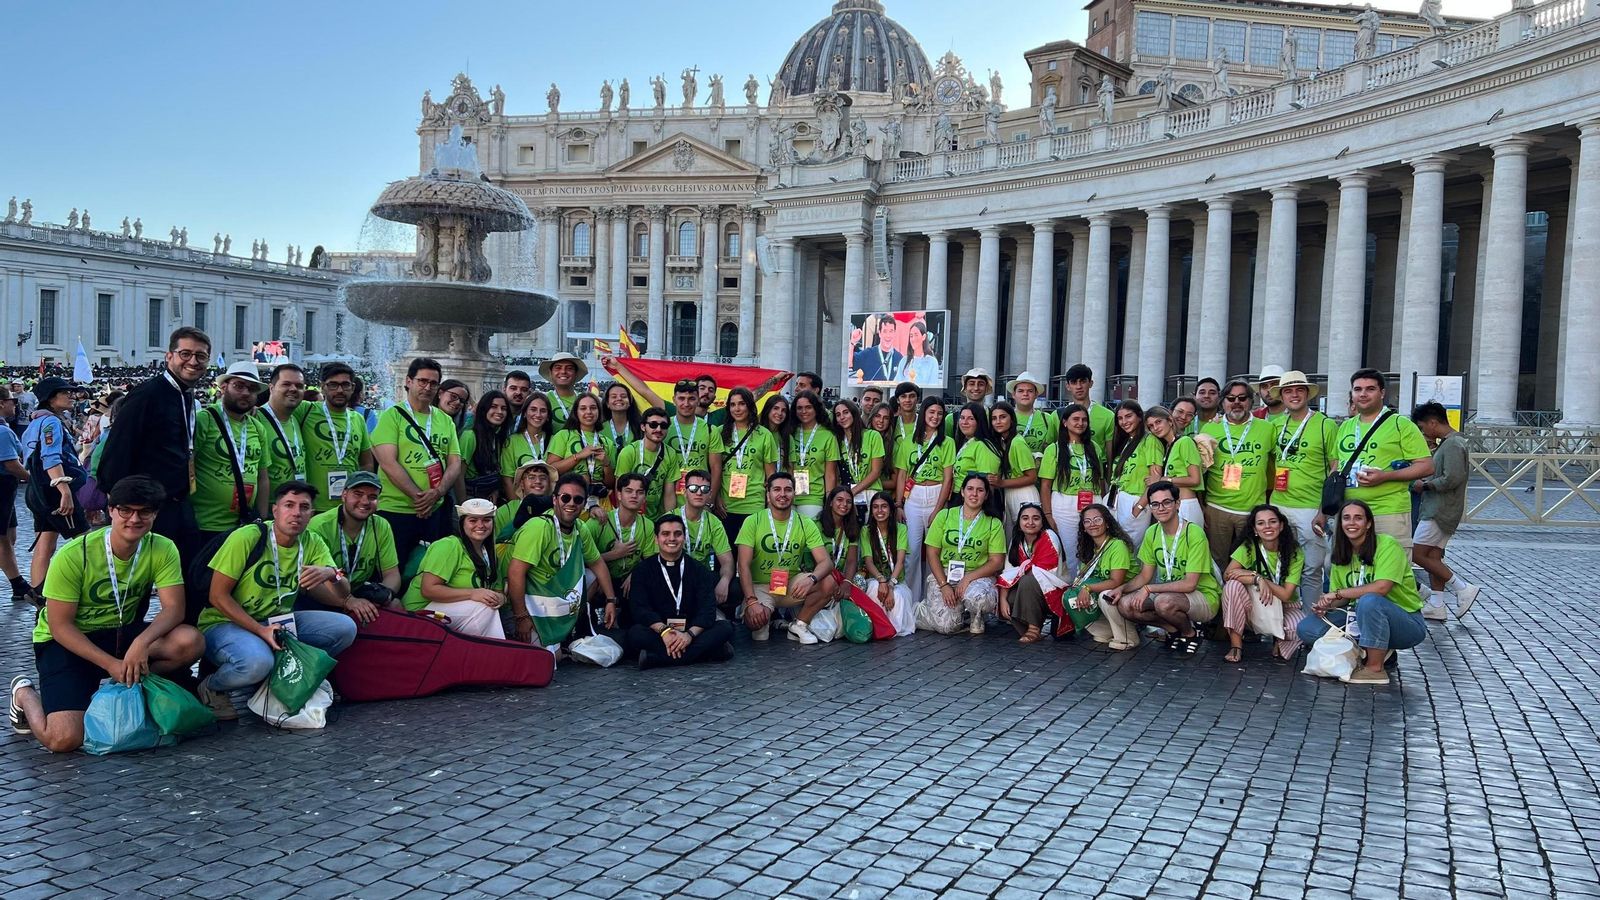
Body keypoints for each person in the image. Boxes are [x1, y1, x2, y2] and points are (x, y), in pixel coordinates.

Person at [8, 476, 204, 752]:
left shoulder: (162, 547)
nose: (134, 519)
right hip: (67, 641)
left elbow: (174, 609)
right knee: (63, 739)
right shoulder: (75, 554)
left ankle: (117, 685)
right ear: (110, 511)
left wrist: (140, 644)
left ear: (155, 514)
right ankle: (23, 693)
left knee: (190, 641)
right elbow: (60, 626)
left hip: (122, 632)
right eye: (125, 510)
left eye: (144, 511)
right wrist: (110, 663)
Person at [197, 481, 375, 719]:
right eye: (289, 505)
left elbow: (342, 593)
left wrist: (332, 574)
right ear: (275, 510)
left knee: (344, 628)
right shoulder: (248, 537)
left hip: (276, 620)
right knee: (257, 663)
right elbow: (217, 596)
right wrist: (261, 630)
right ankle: (212, 687)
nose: (296, 513)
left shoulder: (311, 540)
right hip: (224, 622)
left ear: (312, 513)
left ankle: (279, 678)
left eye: (304, 507)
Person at [96, 327, 210, 565]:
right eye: (186, 354)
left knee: (186, 573)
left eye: (201, 356)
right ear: (169, 356)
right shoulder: (147, 394)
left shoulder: (185, 393)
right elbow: (118, 448)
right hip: (145, 506)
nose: (193, 361)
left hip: (177, 501)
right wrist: (122, 506)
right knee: (139, 580)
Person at [1296, 499, 1428, 686]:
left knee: (1370, 601)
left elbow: (1382, 587)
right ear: (1340, 524)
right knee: (1307, 629)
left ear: (1368, 524)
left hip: (1406, 621)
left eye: (1358, 518)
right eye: (1346, 518)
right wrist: (1327, 605)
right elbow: (1340, 598)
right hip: (1358, 615)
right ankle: (1375, 649)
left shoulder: (1387, 545)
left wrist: (1338, 594)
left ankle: (1375, 669)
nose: (1351, 523)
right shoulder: (1341, 553)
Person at [1102, 481, 1221, 655]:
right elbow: (1144, 576)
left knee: (1163, 602)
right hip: (1168, 594)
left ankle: (1191, 633)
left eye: (1167, 502)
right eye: (1155, 504)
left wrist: (1149, 588)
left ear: (1177, 504)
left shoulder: (1194, 533)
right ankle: (1172, 628)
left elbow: (1190, 585)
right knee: (1126, 605)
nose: (1161, 508)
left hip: (1203, 596)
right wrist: (1121, 589)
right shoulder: (1152, 532)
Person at [507, 474, 620, 645]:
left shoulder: (580, 528)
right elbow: (515, 573)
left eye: (578, 499)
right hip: (532, 599)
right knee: (551, 660)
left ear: (583, 505)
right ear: (554, 500)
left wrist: (611, 600)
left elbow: (597, 563)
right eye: (565, 498)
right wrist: (521, 617)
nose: (571, 503)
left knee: (592, 576)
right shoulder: (539, 527)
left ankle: (569, 629)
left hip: (555, 594)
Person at [372, 358, 463, 564]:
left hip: (435, 510)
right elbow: (388, 462)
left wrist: (437, 493)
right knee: (393, 567)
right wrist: (420, 498)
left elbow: (455, 462)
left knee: (432, 567)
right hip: (396, 509)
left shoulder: (444, 419)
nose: (427, 387)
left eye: (433, 383)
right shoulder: (392, 415)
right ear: (409, 381)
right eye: (422, 381)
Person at [1334, 368, 1433, 556]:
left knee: (1392, 570)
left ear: (1382, 393)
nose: (1363, 394)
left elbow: (1426, 466)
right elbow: (1336, 465)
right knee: (1347, 569)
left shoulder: (1401, 424)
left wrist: (1386, 476)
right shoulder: (1346, 426)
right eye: (1358, 389)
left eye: (1370, 389)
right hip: (1350, 511)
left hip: (1388, 510)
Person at [1266, 371, 1338, 603]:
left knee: (1311, 569)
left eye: (1299, 390)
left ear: (1307, 394)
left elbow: (1335, 469)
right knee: (1281, 567)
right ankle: (1285, 624)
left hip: (1310, 508)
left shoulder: (1325, 425)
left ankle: (1310, 622)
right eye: (1288, 390)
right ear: (1282, 396)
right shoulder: (1276, 425)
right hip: (1279, 505)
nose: (1294, 395)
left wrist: (1323, 510)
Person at [627, 515, 735, 669]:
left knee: (725, 628)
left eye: (677, 534)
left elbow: (707, 610)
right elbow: (640, 608)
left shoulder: (699, 570)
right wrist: (664, 631)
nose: (672, 538)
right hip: (659, 631)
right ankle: (710, 653)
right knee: (635, 633)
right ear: (656, 539)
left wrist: (688, 635)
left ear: (684, 538)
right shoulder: (642, 570)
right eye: (665, 534)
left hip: (691, 630)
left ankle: (655, 658)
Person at [735, 472, 832, 643]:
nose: (782, 494)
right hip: (761, 587)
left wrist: (811, 578)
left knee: (828, 582)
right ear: (768, 494)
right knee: (758, 629)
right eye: (777, 490)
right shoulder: (753, 521)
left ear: (794, 493)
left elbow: (826, 561)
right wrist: (751, 601)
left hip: (791, 585)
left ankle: (799, 626)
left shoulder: (805, 522)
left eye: (788, 490)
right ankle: (766, 617)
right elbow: (743, 565)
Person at [1409, 401, 1480, 620]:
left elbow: (1453, 477)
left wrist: (1426, 485)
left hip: (1439, 508)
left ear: (1433, 422)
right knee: (1433, 555)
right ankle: (1437, 605)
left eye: (1422, 427)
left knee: (1416, 553)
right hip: (1440, 506)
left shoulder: (1452, 444)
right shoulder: (1449, 443)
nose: (1423, 432)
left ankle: (1463, 588)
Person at [192, 363, 271, 551]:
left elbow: (263, 476)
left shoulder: (257, 427)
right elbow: (188, 466)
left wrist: (261, 518)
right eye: (239, 386)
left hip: (244, 525)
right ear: (224, 387)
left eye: (251, 389)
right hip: (206, 525)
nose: (245, 393)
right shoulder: (205, 419)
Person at [400, 498, 507, 638]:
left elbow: (500, 592)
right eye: (473, 520)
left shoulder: (490, 553)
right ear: (462, 523)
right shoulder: (448, 545)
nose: (480, 525)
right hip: (419, 612)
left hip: (456, 612)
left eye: (486, 520)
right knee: (483, 608)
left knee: (487, 608)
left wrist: (500, 598)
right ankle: (488, 654)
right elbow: (428, 589)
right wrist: (472, 593)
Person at [21, 376, 90, 591]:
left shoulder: (34, 423)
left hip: (37, 490)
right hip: (54, 492)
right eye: (65, 392)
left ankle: (39, 595)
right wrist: (64, 491)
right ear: (50, 399)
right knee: (87, 542)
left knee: (45, 544)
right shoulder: (51, 422)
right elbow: (50, 457)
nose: (71, 395)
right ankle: (87, 589)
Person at [920, 473, 1007, 634]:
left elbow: (997, 562)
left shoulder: (993, 523)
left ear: (986, 495)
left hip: (978, 576)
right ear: (962, 492)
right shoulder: (944, 515)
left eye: (980, 490)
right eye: (970, 489)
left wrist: (968, 578)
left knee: (979, 598)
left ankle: (976, 615)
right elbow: (932, 553)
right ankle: (924, 611)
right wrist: (944, 585)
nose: (974, 494)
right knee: (947, 627)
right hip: (946, 575)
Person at [1199, 380, 1273, 566]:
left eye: (1242, 398)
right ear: (1223, 402)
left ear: (1251, 401)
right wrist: (1202, 506)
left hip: (1252, 509)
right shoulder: (1209, 428)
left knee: (1250, 562)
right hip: (1217, 507)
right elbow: (1201, 470)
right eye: (1231, 398)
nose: (1236, 402)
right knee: (1217, 561)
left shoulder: (1268, 429)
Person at [1221, 504, 1307, 663]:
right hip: (1253, 604)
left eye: (1272, 521)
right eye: (1261, 523)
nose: (1267, 526)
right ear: (1254, 529)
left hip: (1284, 605)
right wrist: (1256, 579)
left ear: (1281, 526)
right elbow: (1228, 575)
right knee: (1232, 586)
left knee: (1300, 628)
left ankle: (1280, 641)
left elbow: (1287, 595)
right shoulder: (1248, 547)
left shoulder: (1294, 551)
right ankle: (1236, 646)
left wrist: (1262, 579)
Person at [305, 471, 401, 608]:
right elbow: (310, 586)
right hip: (326, 596)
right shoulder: (319, 526)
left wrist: (383, 594)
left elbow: (392, 574)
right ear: (344, 495)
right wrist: (347, 602)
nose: (365, 501)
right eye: (358, 494)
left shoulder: (381, 525)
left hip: (360, 592)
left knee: (395, 604)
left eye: (372, 497)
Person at [894, 397, 954, 599]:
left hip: (936, 493)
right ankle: (911, 600)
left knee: (934, 552)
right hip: (914, 497)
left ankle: (932, 600)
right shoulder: (909, 441)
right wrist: (899, 504)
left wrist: (938, 509)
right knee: (911, 552)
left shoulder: (947, 442)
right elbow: (902, 475)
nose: (935, 417)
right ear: (923, 414)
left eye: (939, 413)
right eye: (931, 412)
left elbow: (948, 479)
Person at [296, 363, 374, 514]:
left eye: (345, 385)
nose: (339, 390)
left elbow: (366, 462)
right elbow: (277, 408)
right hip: (314, 507)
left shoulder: (358, 419)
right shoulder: (306, 410)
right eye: (333, 385)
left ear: (352, 387)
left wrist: (361, 494)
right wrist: (254, 409)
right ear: (322, 387)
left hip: (349, 507)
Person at [1038, 403, 1103, 577]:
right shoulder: (1055, 449)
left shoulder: (1095, 448)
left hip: (1093, 501)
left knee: (1095, 547)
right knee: (1070, 549)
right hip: (1064, 504)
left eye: (1084, 420)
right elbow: (1045, 485)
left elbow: (1101, 479)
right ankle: (1071, 590)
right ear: (1065, 422)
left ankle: (1089, 587)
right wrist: (1048, 515)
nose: (1080, 423)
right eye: (1075, 419)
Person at [1065, 502, 1136, 646]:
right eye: (1087, 521)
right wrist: (1076, 589)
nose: (1092, 524)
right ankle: (1105, 631)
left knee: (1106, 597)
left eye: (1097, 519)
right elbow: (1086, 578)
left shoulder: (1117, 545)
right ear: (1083, 527)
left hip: (1128, 590)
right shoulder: (1089, 548)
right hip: (1106, 587)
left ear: (1107, 523)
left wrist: (1087, 589)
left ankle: (1128, 638)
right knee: (1069, 596)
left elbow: (1116, 581)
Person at [997, 502, 1066, 643]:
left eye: (1035, 518)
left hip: (1053, 590)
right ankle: (1026, 628)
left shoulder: (1049, 536)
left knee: (1027, 580)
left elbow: (1042, 575)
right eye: (1025, 518)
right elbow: (1008, 572)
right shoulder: (1017, 540)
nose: (1030, 522)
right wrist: (1003, 599)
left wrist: (1020, 571)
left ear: (1042, 521)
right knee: (1010, 598)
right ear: (1019, 522)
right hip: (1030, 588)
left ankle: (1034, 629)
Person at [716, 387, 778, 541]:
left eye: (742, 404)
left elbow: (771, 475)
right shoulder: (719, 432)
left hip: (754, 504)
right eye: (732, 404)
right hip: (726, 505)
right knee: (727, 556)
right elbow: (714, 469)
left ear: (750, 406)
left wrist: (770, 504)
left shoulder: (764, 435)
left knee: (750, 557)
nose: (737, 409)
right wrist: (716, 498)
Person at [674, 469, 733, 611]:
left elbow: (727, 561)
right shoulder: (671, 518)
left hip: (702, 577)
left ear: (710, 494)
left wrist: (724, 581)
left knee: (735, 587)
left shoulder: (714, 523)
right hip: (673, 576)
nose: (699, 493)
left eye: (705, 489)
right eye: (693, 488)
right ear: (684, 491)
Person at [1106, 400, 1162, 542]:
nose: (1124, 421)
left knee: (1131, 550)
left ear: (1139, 416)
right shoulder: (1125, 441)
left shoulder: (1150, 441)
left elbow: (1155, 479)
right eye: (1120, 418)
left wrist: (1138, 507)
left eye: (1128, 416)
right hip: (1115, 498)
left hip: (1135, 500)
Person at [860, 490, 914, 636]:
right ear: (871, 511)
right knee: (873, 589)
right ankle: (878, 627)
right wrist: (882, 580)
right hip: (876, 578)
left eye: (884, 506)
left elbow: (900, 561)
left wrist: (890, 585)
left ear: (891, 510)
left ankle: (892, 630)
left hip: (897, 580)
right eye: (876, 507)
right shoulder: (866, 531)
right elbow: (868, 562)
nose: (880, 511)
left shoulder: (901, 529)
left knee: (898, 597)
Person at [614, 407, 681, 518]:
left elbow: (669, 494)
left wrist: (669, 520)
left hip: (656, 517)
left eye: (663, 426)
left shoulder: (671, 453)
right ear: (643, 427)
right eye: (653, 425)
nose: (658, 429)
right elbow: (619, 490)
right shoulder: (628, 452)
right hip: (632, 517)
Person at [782, 391, 839, 518]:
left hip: (813, 497)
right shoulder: (789, 431)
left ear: (816, 409)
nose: (804, 411)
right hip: (786, 494)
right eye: (799, 408)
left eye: (808, 407)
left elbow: (830, 474)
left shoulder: (827, 436)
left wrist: (829, 502)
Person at [0, 387, 33, 603]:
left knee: (10, 536)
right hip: (2, 485)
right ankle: (18, 584)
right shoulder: (3, 432)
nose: (15, 404)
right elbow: (12, 464)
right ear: (2, 403)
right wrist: (33, 478)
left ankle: (16, 582)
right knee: (2, 538)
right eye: (12, 400)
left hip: (6, 488)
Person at [547, 393, 614, 499]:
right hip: (569, 497)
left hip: (599, 499)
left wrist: (606, 464)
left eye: (593, 408)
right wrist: (578, 456)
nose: (589, 412)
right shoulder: (564, 435)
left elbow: (611, 484)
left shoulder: (607, 442)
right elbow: (550, 470)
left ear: (599, 412)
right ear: (576, 413)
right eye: (583, 408)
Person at [1146, 405, 1204, 527]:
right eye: (1151, 426)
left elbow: (1195, 479)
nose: (1155, 428)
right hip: (1173, 505)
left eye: (1158, 422)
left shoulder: (1185, 442)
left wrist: (1162, 480)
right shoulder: (1168, 446)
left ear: (1170, 421)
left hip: (1186, 506)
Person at [988, 401, 1041, 524]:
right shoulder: (1003, 441)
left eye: (1003, 417)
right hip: (1009, 492)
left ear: (1011, 419)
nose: (998, 421)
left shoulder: (1017, 443)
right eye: (994, 418)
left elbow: (1032, 477)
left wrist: (1001, 483)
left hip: (1024, 493)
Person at [259, 364, 308, 493]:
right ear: (271, 388)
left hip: (295, 506)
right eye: (286, 384)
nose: (293, 389)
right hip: (270, 509)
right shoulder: (254, 419)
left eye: (299, 386)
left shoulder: (298, 417)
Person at [459, 391, 512, 503]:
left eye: (504, 408)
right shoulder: (469, 436)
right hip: (470, 499)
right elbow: (458, 476)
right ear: (484, 409)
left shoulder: (498, 437)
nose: (499, 412)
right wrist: (464, 505)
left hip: (489, 498)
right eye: (493, 407)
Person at [832, 399, 885, 511]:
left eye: (846, 412)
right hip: (847, 497)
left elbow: (876, 472)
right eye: (838, 415)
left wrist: (853, 492)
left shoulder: (872, 436)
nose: (842, 417)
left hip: (871, 493)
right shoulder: (837, 441)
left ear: (854, 413)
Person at [500, 393, 555, 499]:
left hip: (550, 504)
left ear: (548, 416)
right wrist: (519, 508)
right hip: (520, 502)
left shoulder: (555, 440)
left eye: (543, 411)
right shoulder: (511, 441)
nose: (538, 414)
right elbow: (507, 479)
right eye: (533, 409)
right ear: (525, 413)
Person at [817, 486, 861, 606]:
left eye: (848, 501)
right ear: (831, 502)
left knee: (859, 582)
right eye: (839, 500)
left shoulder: (852, 527)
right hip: (819, 575)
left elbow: (852, 561)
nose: (844, 504)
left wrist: (846, 582)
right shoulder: (816, 524)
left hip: (840, 577)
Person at [1061, 364, 1115, 453]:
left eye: (1082, 381)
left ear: (1090, 383)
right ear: (1068, 386)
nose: (1079, 387)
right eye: (1074, 382)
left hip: (1096, 465)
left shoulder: (1108, 416)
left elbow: (1110, 452)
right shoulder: (1057, 415)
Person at [496, 461, 554, 542]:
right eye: (531, 477)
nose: (538, 481)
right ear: (522, 484)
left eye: (543, 478)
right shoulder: (505, 511)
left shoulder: (557, 509)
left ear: (549, 484)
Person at [1007, 372, 1056, 463]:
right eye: (1020, 391)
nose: (1025, 394)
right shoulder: (1006, 417)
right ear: (1013, 394)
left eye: (1030, 391)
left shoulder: (1047, 419)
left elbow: (1050, 448)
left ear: (1036, 394)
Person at [851, 313, 904, 384]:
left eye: (891, 331)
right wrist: (852, 342)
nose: (888, 336)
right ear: (880, 333)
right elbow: (849, 363)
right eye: (885, 331)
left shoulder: (900, 358)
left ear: (894, 333)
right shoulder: (868, 354)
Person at [944, 368, 994, 435]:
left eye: (981, 384)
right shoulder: (951, 419)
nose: (976, 388)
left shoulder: (994, 417)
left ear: (986, 388)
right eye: (972, 384)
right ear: (965, 388)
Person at [541, 352, 589, 423]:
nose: (563, 371)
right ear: (550, 373)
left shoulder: (587, 402)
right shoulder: (541, 400)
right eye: (558, 368)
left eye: (569, 368)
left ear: (576, 373)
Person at [898, 320, 941, 386]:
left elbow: (933, 385)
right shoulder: (904, 360)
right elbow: (897, 383)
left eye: (916, 335)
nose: (913, 339)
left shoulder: (932, 362)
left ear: (923, 337)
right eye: (911, 336)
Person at [603, 382, 642, 450]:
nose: (619, 399)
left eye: (623, 396)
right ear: (607, 404)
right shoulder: (599, 428)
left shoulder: (641, 427)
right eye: (614, 396)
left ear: (630, 402)